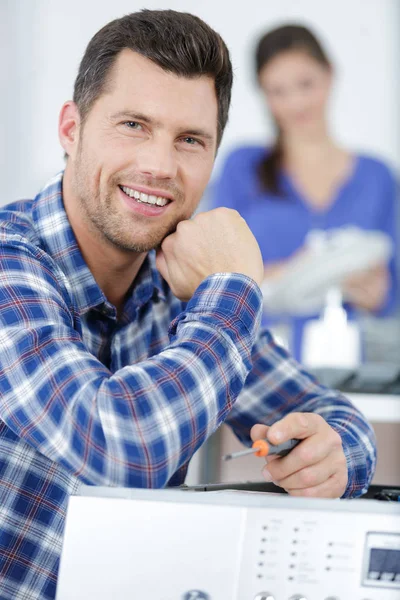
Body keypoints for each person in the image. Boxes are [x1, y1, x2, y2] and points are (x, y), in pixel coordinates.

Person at [0, 11, 375, 600]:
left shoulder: (175, 283)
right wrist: (234, 288)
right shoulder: (10, 263)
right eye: (132, 124)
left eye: (190, 140)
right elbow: (120, 454)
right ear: (71, 128)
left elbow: (330, 413)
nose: (159, 165)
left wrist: (338, 455)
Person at [212, 23, 398, 361]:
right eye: (278, 91)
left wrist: (381, 295)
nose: (295, 103)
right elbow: (214, 275)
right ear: (263, 95)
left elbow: (393, 287)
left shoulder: (378, 177)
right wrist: (293, 274)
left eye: (305, 84)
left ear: (329, 75)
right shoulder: (243, 168)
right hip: (260, 366)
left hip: (357, 370)